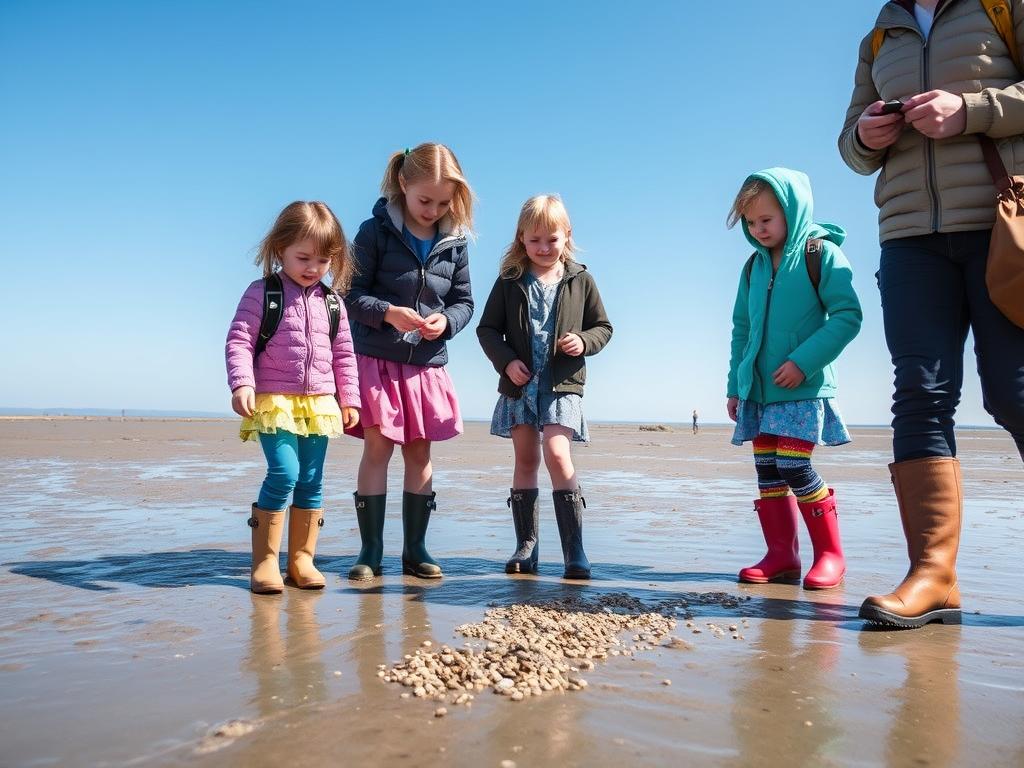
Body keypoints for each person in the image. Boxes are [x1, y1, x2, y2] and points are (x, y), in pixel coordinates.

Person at [839, 0, 1024, 627]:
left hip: (1002, 227)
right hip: (909, 239)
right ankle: (933, 576)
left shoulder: (1002, 7)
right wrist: (865, 136)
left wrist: (970, 110)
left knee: (1014, 393)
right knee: (921, 392)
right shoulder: (878, 38)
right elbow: (850, 147)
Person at [726, 169, 863, 590]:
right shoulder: (752, 267)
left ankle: (830, 556)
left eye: (766, 219)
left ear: (792, 210)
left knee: (794, 466)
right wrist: (736, 384)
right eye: (750, 223)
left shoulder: (819, 254)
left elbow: (847, 316)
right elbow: (742, 330)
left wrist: (804, 361)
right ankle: (781, 555)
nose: (758, 229)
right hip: (760, 392)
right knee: (768, 471)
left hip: (802, 386)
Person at [344, 142, 475, 581]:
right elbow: (349, 294)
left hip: (428, 363)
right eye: (425, 200)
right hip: (379, 359)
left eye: (443, 203)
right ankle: (371, 551)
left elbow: (464, 302)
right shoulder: (372, 231)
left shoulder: (455, 242)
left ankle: (416, 549)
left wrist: (447, 321)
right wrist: (387, 313)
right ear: (403, 183)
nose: (433, 210)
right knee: (378, 448)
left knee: (420, 453)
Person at [225, 201, 361, 594]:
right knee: (285, 473)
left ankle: (302, 560)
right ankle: (265, 561)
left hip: (319, 403)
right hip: (274, 401)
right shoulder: (262, 293)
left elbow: (344, 355)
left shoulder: (333, 302)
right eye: (303, 257)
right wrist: (242, 383)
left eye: (322, 260)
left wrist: (348, 399)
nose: (312, 267)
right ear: (280, 248)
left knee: (313, 479)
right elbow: (239, 340)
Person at [477, 195, 613, 579]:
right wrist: (506, 361)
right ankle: (527, 547)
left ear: (566, 236)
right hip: (520, 386)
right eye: (534, 240)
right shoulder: (509, 281)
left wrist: (584, 342)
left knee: (557, 453)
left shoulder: (581, 279)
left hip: (562, 383)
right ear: (521, 238)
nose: (543, 248)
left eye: (551, 239)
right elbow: (487, 330)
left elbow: (603, 327)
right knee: (525, 460)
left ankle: (575, 550)